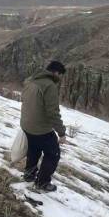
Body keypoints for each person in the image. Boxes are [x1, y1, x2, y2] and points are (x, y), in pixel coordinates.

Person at [20, 60, 67, 191]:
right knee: (53, 153)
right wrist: (61, 133)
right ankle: (42, 182)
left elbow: (23, 99)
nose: (60, 78)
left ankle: (29, 175)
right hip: (39, 128)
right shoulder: (49, 86)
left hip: (26, 124)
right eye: (61, 75)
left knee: (34, 149)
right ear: (56, 72)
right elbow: (53, 112)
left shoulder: (30, 80)